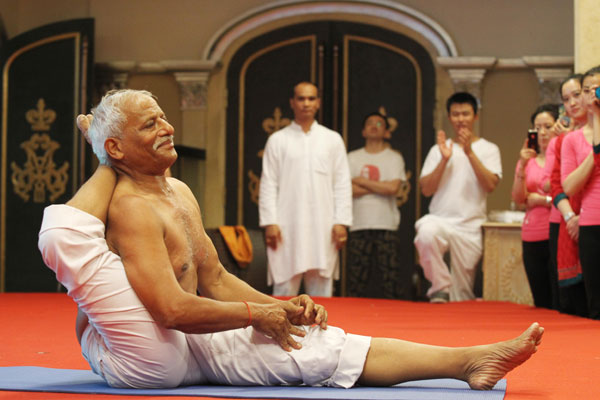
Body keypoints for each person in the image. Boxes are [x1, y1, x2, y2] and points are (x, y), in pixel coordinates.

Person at [38, 89, 543, 391]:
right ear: (116, 148)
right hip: (146, 349)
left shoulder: (179, 190)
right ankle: (467, 362)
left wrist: (281, 308)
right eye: (151, 125)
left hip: (191, 335)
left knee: (313, 344)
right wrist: (261, 315)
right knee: (261, 345)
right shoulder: (129, 207)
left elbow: (213, 277)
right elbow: (170, 309)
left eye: (164, 116)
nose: (169, 128)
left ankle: (470, 362)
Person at [258, 82, 352, 297]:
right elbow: (269, 183)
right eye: (301, 98)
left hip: (324, 224)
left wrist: (341, 221)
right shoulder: (278, 140)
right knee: (284, 288)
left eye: (311, 98)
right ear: (292, 103)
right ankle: (281, 330)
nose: (306, 103)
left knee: (322, 290)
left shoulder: (332, 139)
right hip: (286, 225)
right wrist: (270, 222)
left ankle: (322, 331)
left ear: (318, 103)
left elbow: (342, 183)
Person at [414, 92, 502, 303]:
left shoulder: (489, 149)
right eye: (455, 114)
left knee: (461, 295)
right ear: (449, 117)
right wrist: (444, 160)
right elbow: (426, 189)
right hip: (440, 219)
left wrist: (470, 153)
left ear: (475, 116)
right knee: (426, 232)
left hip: (470, 226)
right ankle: (439, 287)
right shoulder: (438, 150)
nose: (461, 119)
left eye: (465, 114)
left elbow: (490, 185)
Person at [347, 112, 407, 298]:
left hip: (386, 224)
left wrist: (361, 181)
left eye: (379, 123)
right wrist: (380, 186)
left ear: (387, 132)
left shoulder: (394, 158)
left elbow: (393, 189)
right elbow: (348, 190)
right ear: (363, 131)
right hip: (358, 223)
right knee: (356, 278)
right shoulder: (352, 157)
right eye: (370, 123)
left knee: (390, 277)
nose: (374, 126)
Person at [545, 74, 588, 316]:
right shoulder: (564, 140)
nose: (572, 103)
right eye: (565, 99)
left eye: (576, 95)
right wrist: (571, 217)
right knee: (573, 302)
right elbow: (555, 184)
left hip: (592, 215)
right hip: (568, 220)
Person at [562, 66, 600, 320]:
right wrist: (595, 154)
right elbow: (569, 187)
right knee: (596, 302)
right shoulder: (572, 140)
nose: (593, 95)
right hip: (592, 221)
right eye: (587, 90)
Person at [511, 104, 558, 308]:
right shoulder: (528, 161)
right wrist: (521, 165)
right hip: (531, 232)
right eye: (537, 128)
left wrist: (543, 200)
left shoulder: (562, 156)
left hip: (556, 230)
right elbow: (518, 197)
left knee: (559, 295)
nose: (542, 133)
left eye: (547, 126)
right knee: (540, 298)